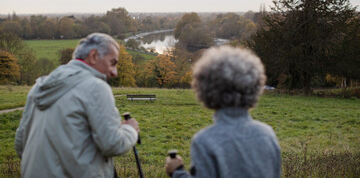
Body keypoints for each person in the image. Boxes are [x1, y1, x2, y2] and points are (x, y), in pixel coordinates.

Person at [15, 33, 139, 178]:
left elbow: (20, 144)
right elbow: (112, 144)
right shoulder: (96, 87)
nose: (114, 72)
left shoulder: (39, 87)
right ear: (93, 56)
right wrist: (130, 130)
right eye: (112, 63)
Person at [165, 46, 281, 178]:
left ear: (205, 90)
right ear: (254, 86)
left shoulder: (205, 141)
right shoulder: (267, 135)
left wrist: (177, 172)